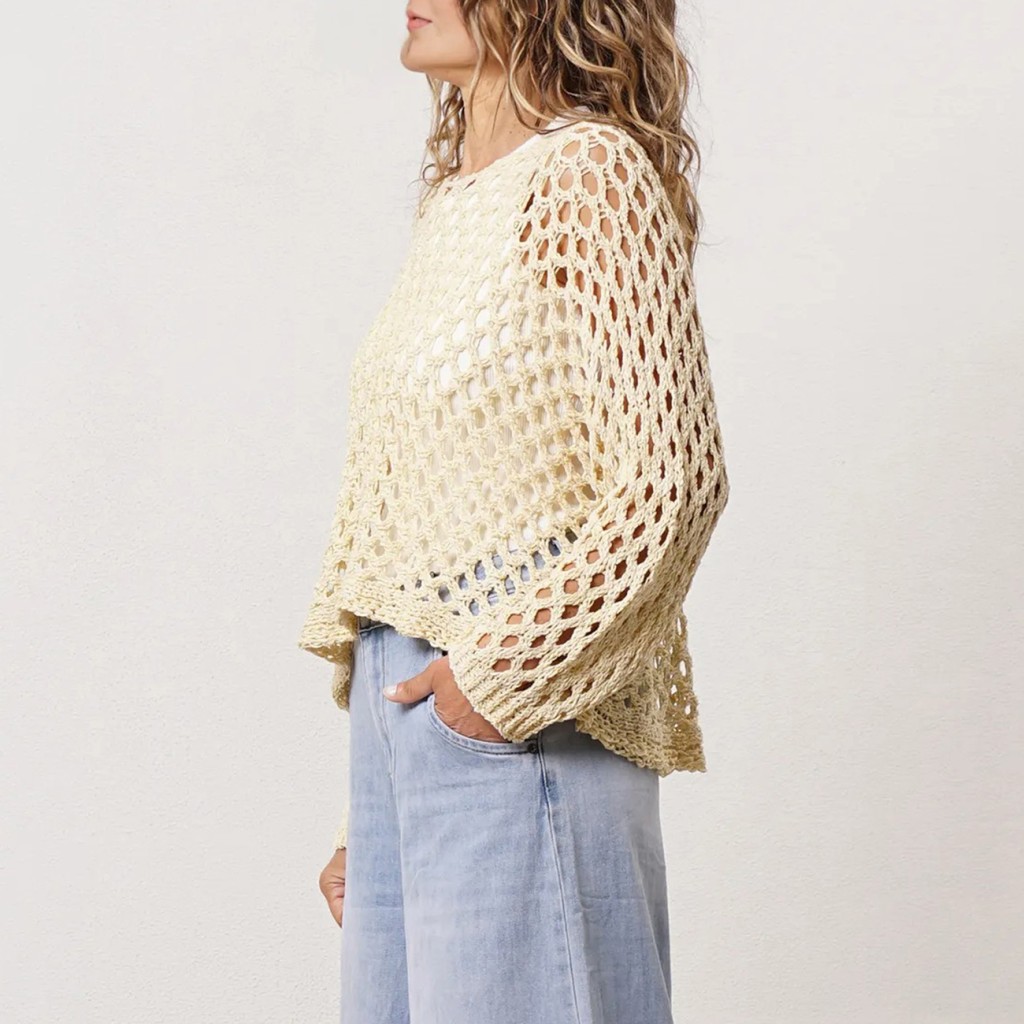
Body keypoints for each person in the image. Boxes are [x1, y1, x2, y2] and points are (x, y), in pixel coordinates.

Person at [299, 1, 731, 1020]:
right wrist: (386, 796)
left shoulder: (589, 172)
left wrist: (490, 688)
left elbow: (672, 480)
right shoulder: (458, 202)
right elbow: (447, 504)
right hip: (417, 717)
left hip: (523, 700)